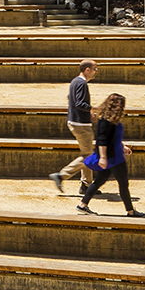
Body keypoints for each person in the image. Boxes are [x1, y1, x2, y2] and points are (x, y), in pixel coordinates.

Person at [77, 92, 145, 217]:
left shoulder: (109, 120)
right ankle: (130, 211)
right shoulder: (106, 121)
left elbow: (112, 139)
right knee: (123, 183)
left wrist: (122, 146)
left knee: (99, 181)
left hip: (113, 155)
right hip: (113, 158)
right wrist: (103, 158)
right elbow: (102, 140)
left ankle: (82, 205)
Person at [51, 58, 97, 195]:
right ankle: (61, 175)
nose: (96, 72)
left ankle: (86, 185)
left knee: (86, 153)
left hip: (76, 122)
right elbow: (79, 103)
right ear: (87, 70)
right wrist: (93, 109)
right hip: (80, 125)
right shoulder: (81, 84)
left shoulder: (75, 81)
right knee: (88, 156)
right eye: (95, 69)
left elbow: (71, 99)